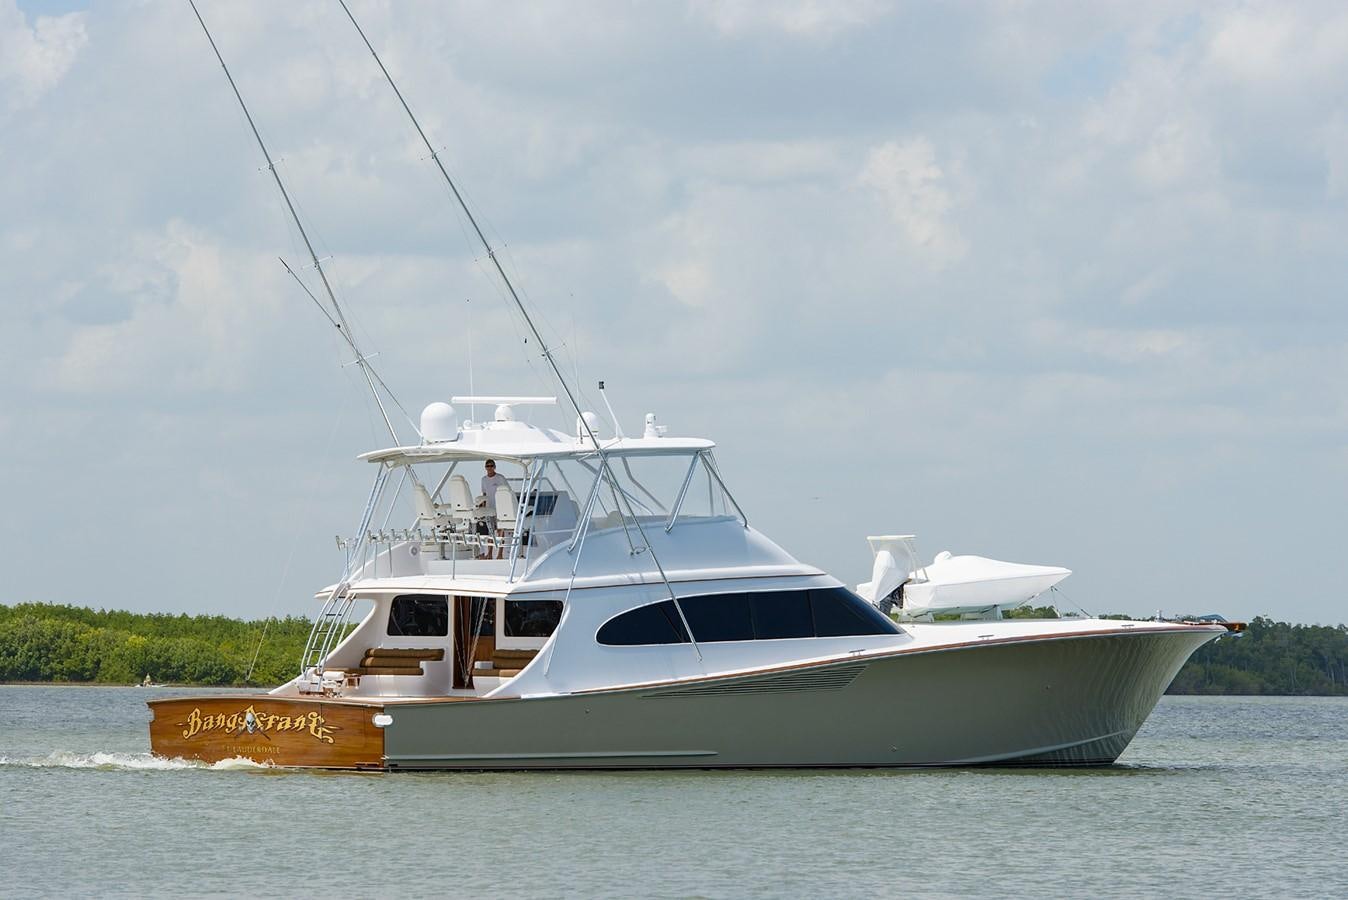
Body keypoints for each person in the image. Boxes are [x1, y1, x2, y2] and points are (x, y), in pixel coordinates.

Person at [478, 459, 508, 558]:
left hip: (500, 509)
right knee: (490, 532)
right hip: (489, 509)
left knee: (500, 531)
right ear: (485, 468)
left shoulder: (500, 478)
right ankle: (489, 553)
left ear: (494, 467)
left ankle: (500, 554)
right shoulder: (483, 479)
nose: (489, 468)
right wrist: (482, 506)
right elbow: (484, 494)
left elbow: (507, 492)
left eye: (491, 466)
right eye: (488, 466)